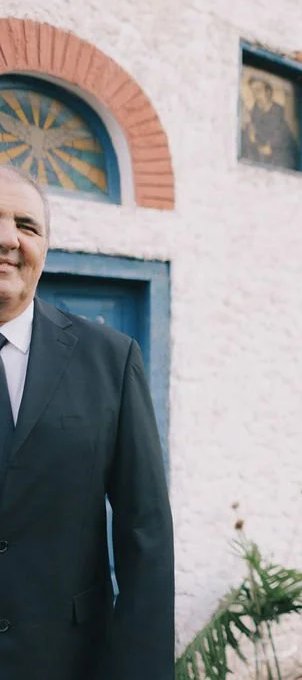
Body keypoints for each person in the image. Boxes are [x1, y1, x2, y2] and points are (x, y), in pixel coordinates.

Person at [0, 166, 174, 679]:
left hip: (67, 661)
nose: (8, 239)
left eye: (27, 226)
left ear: (45, 246)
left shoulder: (110, 359)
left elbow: (146, 531)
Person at [241, 77, 299, 169]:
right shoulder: (253, 116)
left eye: (258, 90)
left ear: (268, 92)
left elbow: (282, 143)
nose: (255, 95)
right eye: (253, 91)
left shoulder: (281, 115)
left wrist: (261, 144)